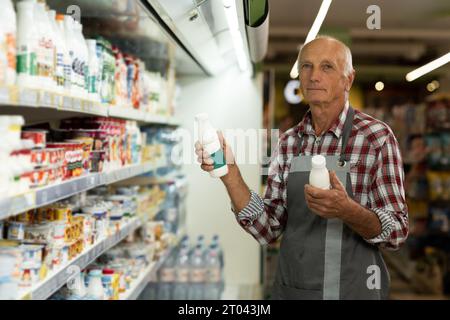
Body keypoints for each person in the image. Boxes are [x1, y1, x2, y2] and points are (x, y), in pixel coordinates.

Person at [195, 36, 409, 300]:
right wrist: (230, 174)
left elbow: (397, 232)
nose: (313, 76)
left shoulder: (376, 138)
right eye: (306, 66)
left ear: (348, 79)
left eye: (327, 67)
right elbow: (267, 227)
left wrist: (348, 211)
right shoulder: (288, 142)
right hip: (293, 293)